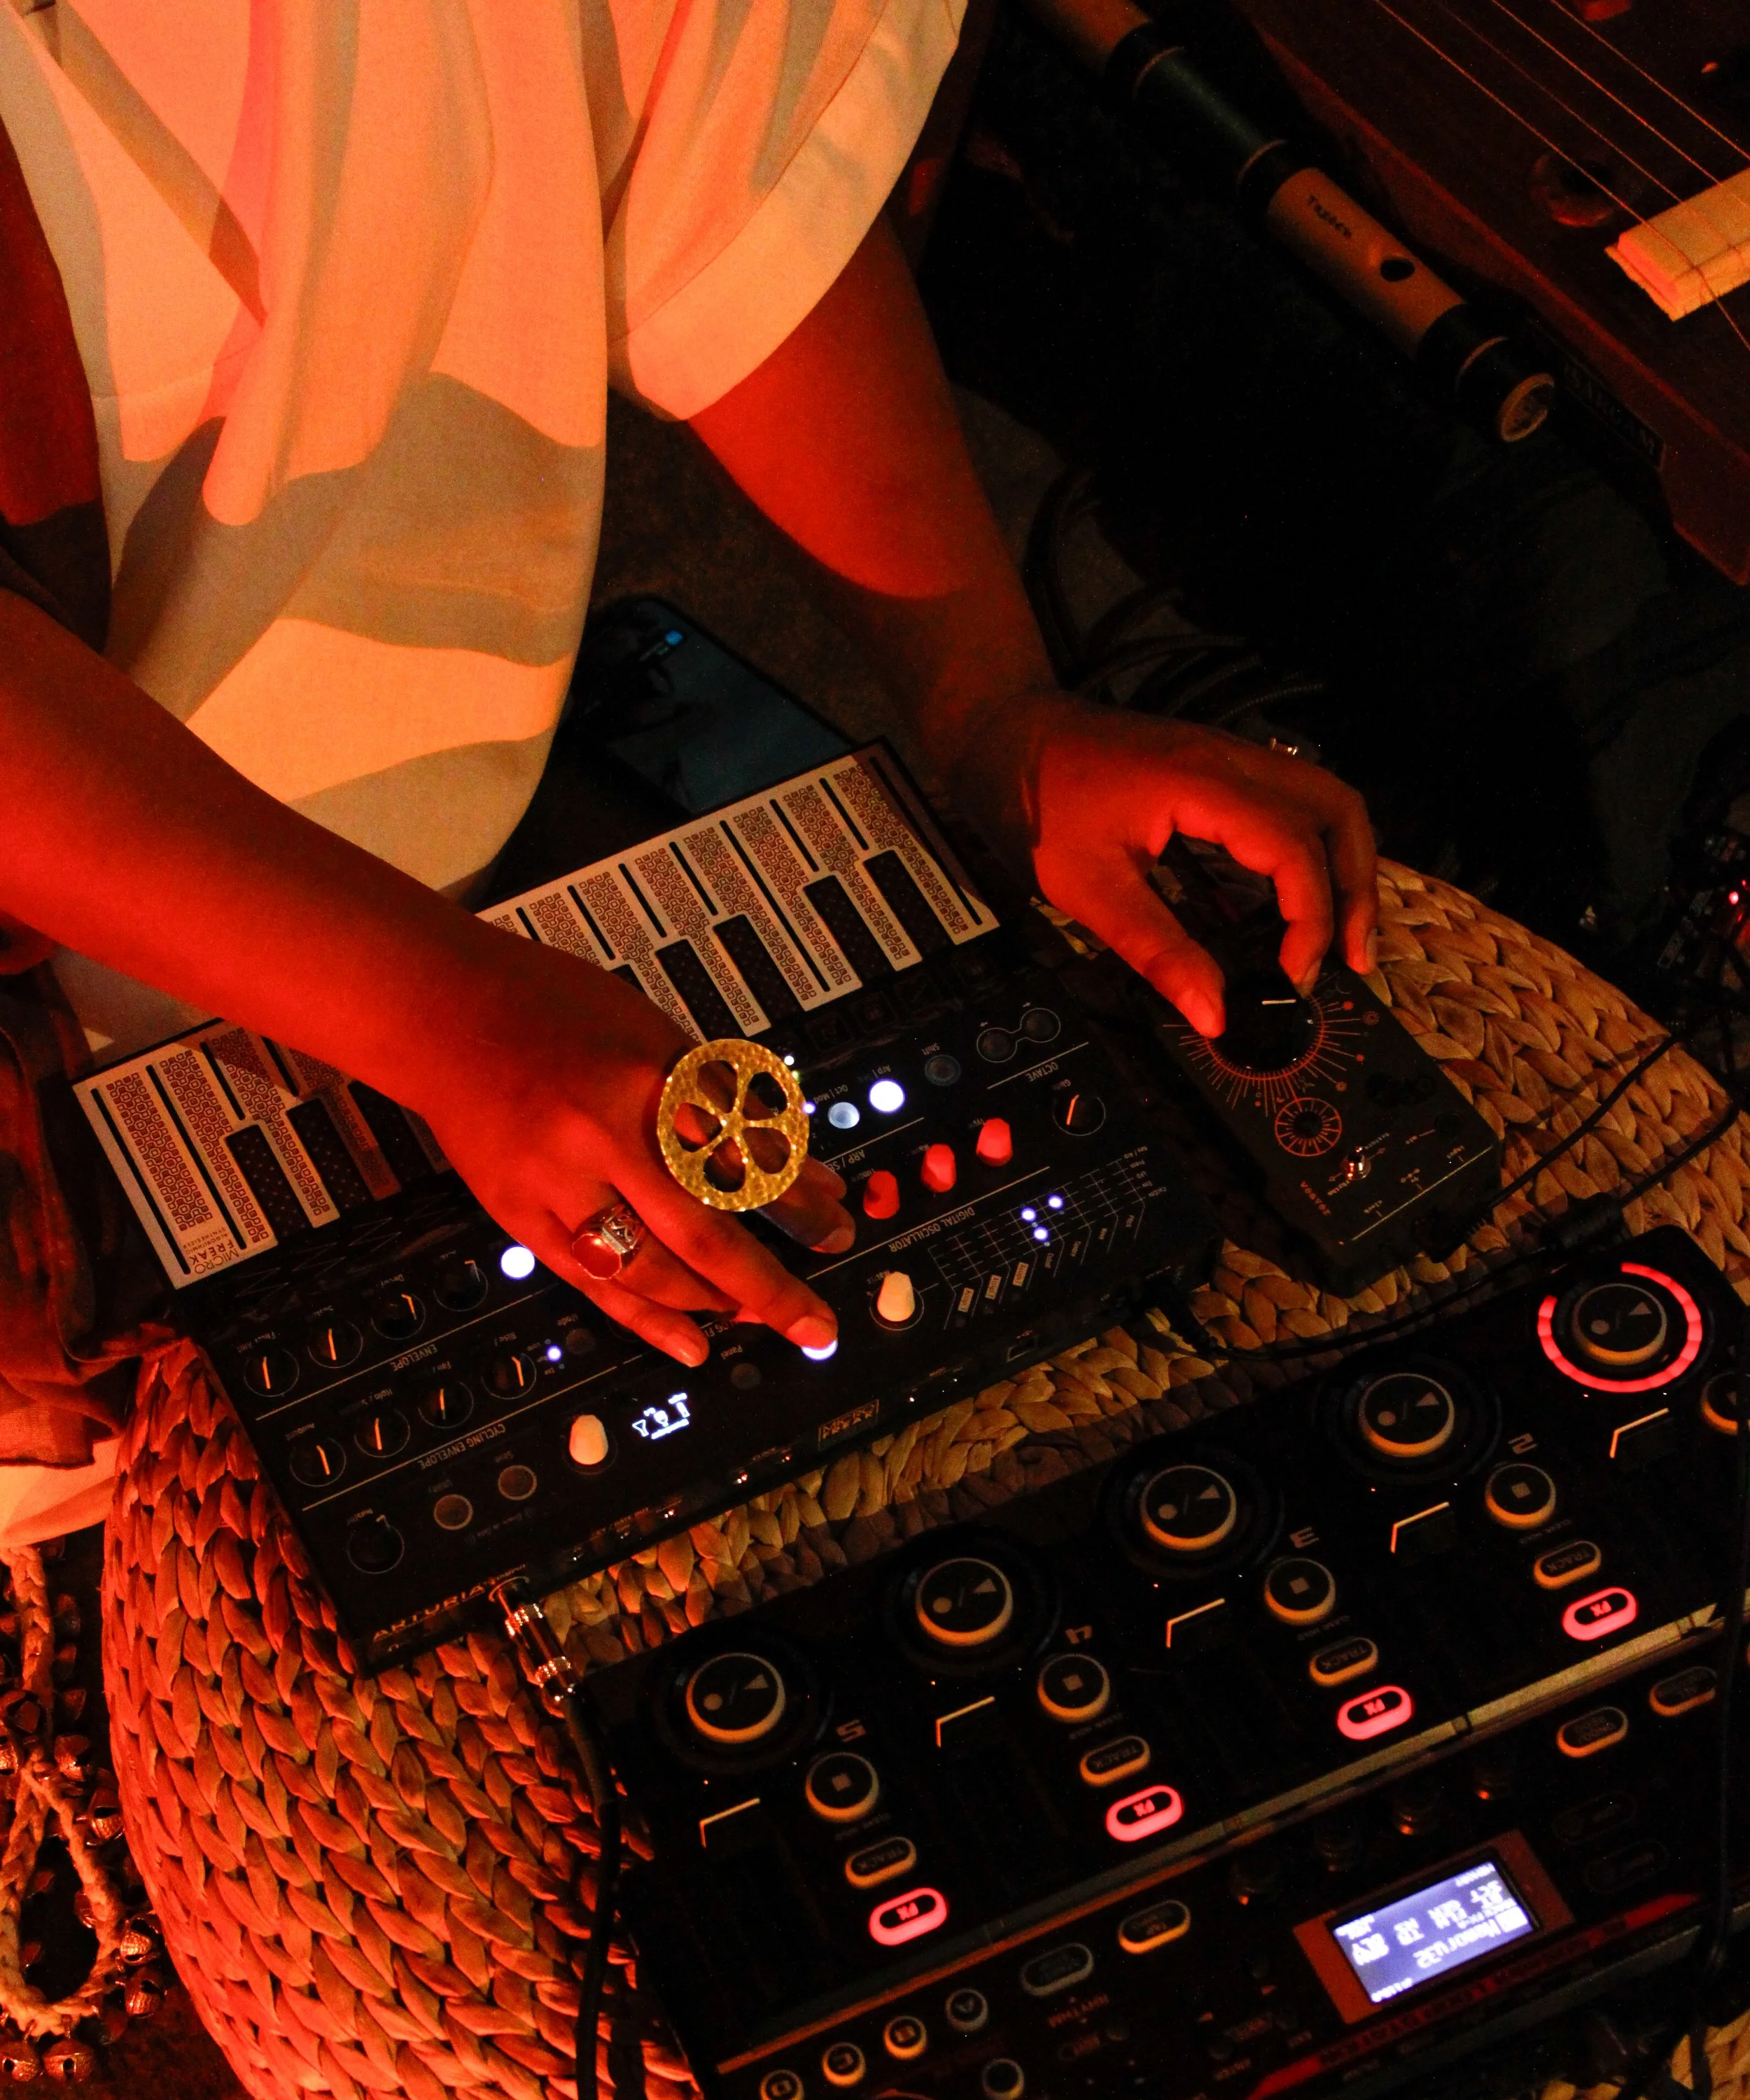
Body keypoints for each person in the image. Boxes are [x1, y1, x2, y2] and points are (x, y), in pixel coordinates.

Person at [0, 1, 1376, 1538]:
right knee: (182, 1556)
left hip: (441, 916)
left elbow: (723, 163)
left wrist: (988, 703)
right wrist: (441, 1013)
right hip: (52, 1060)